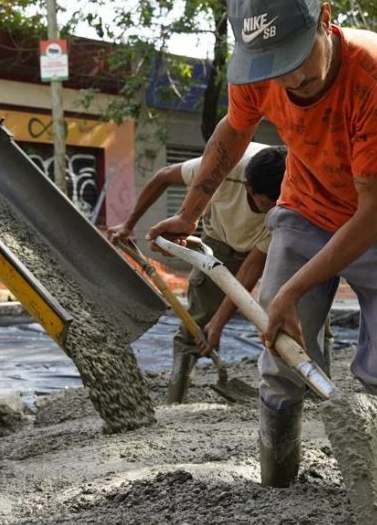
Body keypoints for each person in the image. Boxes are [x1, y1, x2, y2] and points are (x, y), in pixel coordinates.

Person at [147, 0, 377, 488]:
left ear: (325, 18)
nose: (293, 77)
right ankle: (278, 483)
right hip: (305, 212)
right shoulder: (258, 71)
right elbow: (231, 135)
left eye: (299, 57)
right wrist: (188, 214)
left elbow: (371, 214)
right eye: (274, 65)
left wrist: (288, 290)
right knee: (283, 364)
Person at [108, 144, 287, 402]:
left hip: (269, 248)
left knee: (290, 316)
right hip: (218, 241)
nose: (273, 210)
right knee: (197, 325)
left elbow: (249, 270)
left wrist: (220, 323)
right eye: (268, 204)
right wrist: (129, 224)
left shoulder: (286, 204)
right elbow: (164, 175)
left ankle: (301, 389)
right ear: (249, 188)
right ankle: (175, 397)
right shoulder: (225, 167)